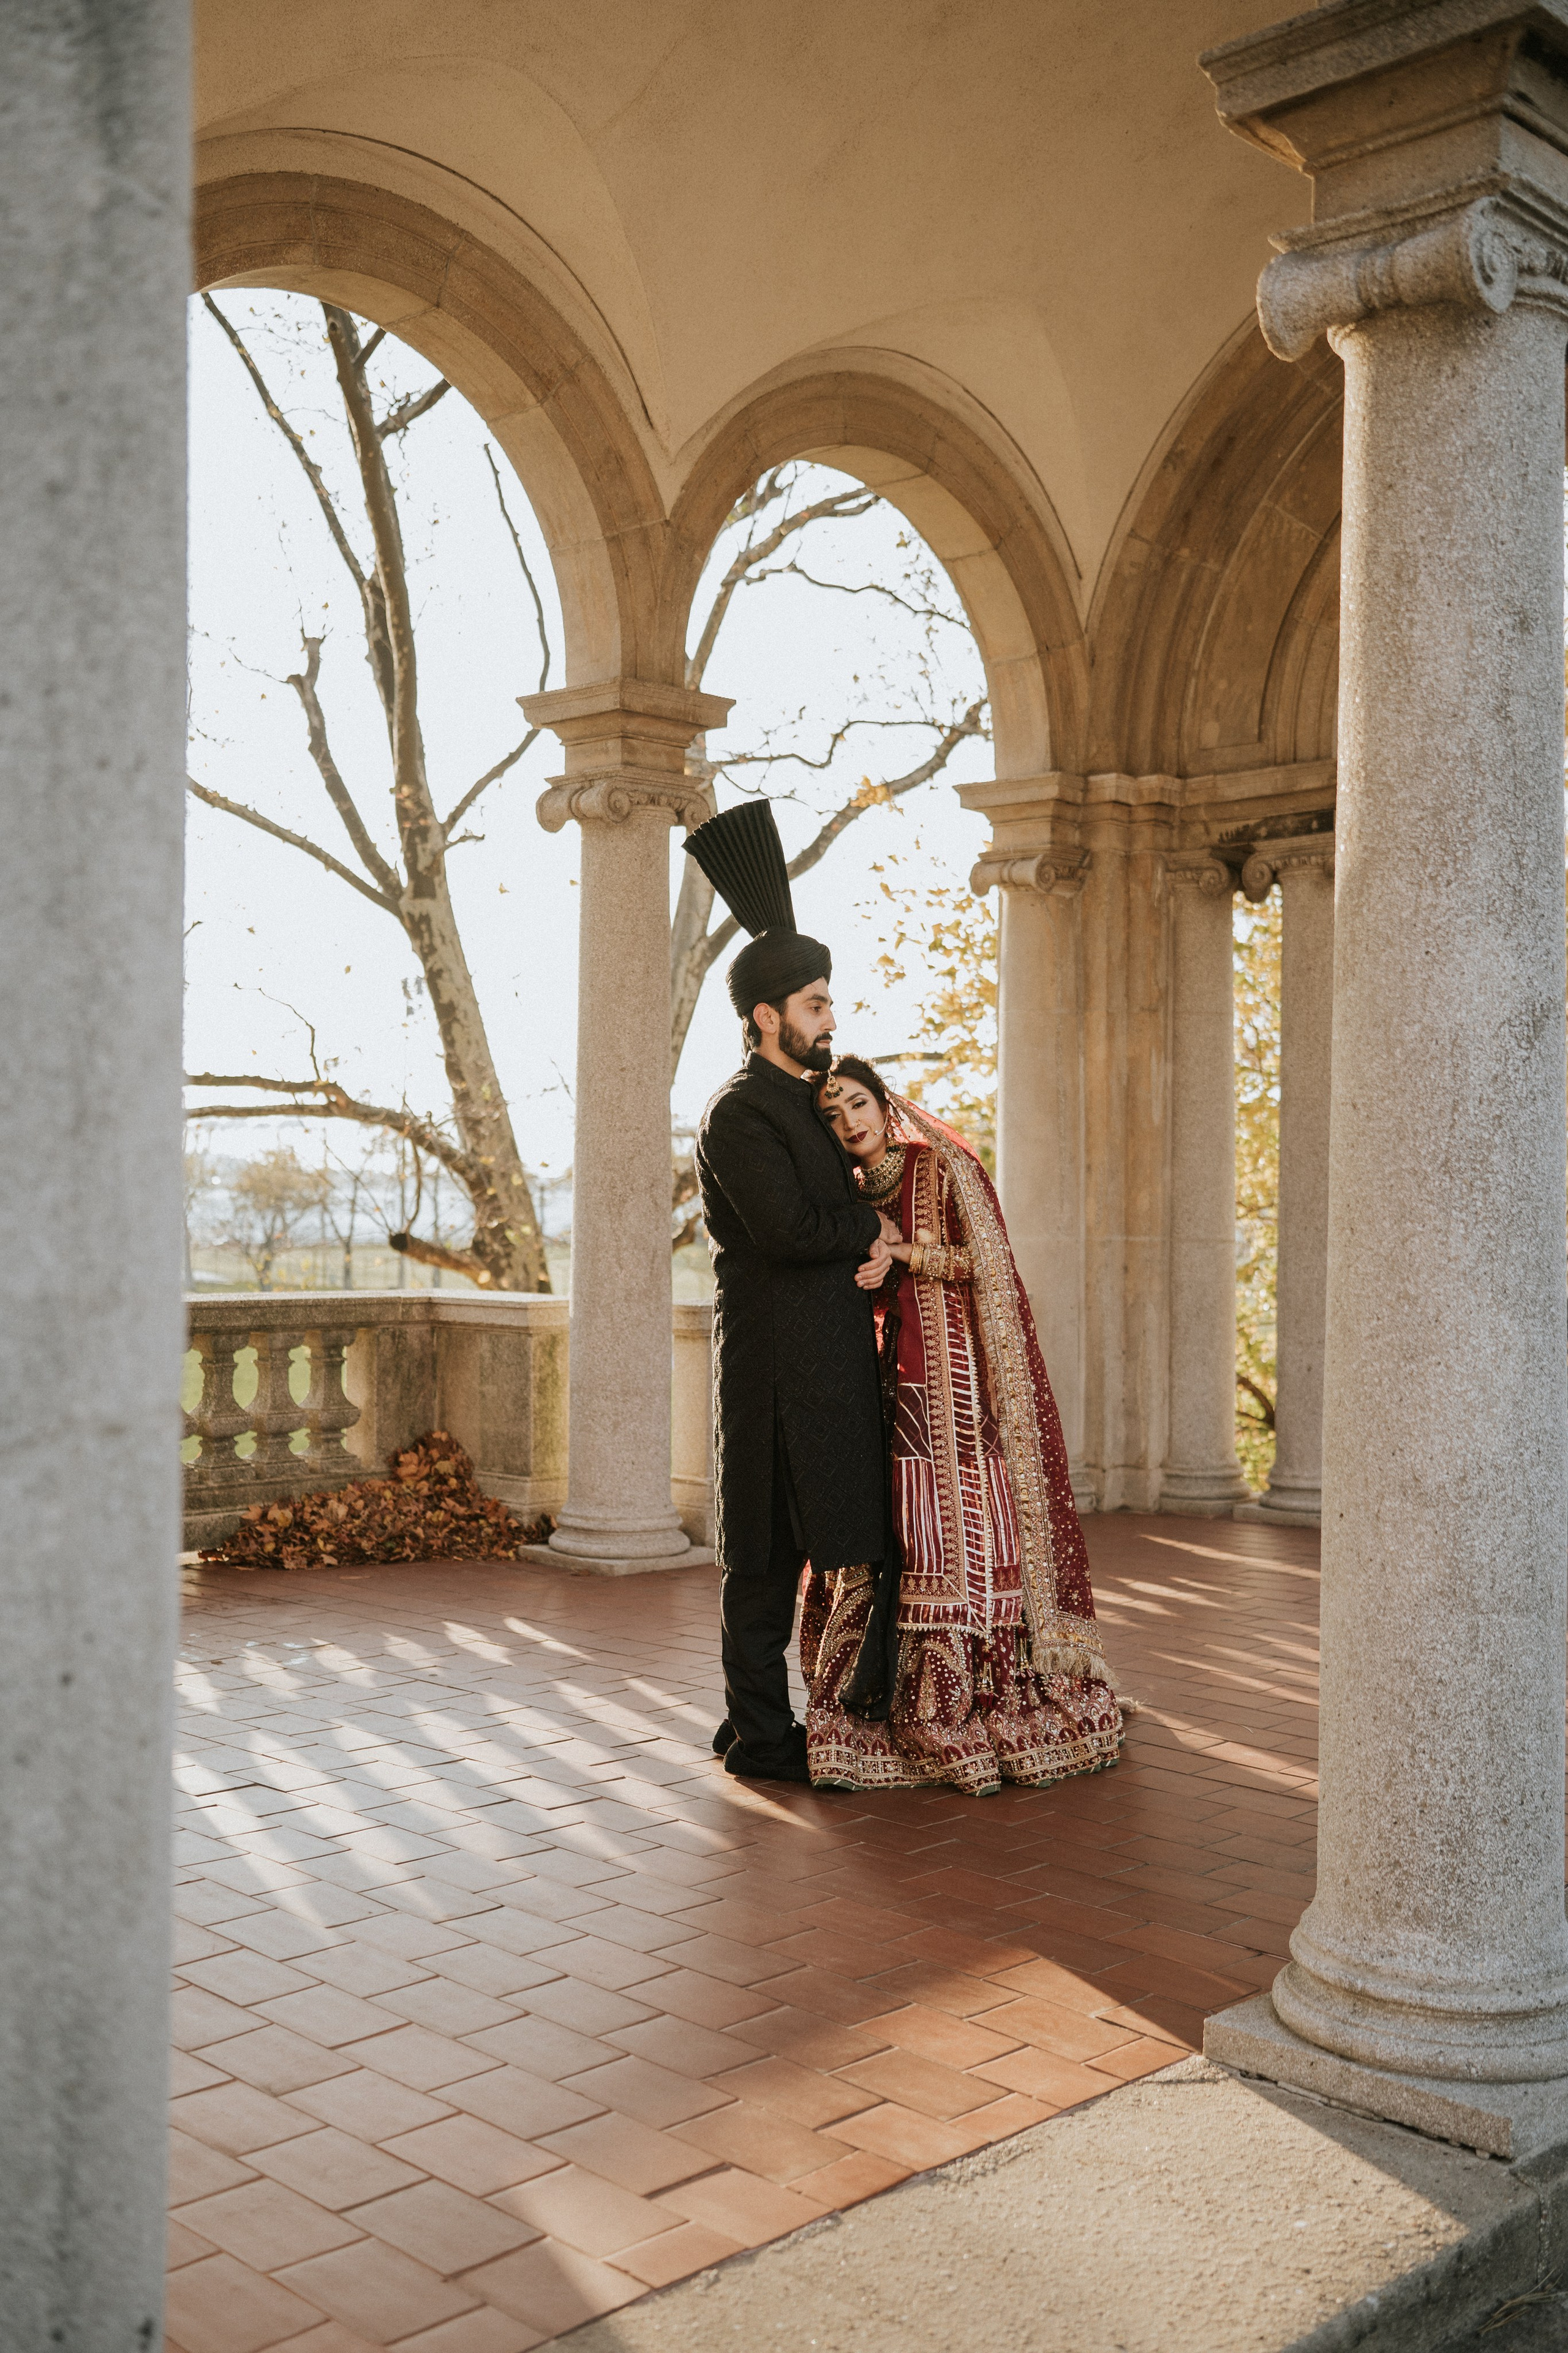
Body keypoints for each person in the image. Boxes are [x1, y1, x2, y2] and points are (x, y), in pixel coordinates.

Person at [804, 1055, 1123, 1794]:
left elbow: (990, 1263)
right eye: (832, 1114)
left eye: (857, 1103)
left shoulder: (940, 1167)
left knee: (957, 1529)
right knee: (904, 1531)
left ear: (884, 1104)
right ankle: (884, 1693)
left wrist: (904, 1254)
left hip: (957, 1380)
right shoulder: (845, 1191)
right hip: (885, 1383)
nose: (850, 1121)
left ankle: (972, 1695)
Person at [684, 803, 894, 1784]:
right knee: (763, 1559)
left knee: (850, 1542)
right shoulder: (737, 1114)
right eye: (815, 1005)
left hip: (832, 1360)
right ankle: (764, 1739)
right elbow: (789, 1231)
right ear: (766, 1015)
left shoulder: (810, 1102)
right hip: (773, 1367)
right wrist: (869, 1230)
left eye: (828, 1002)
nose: (830, 1019)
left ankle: (807, 1718)